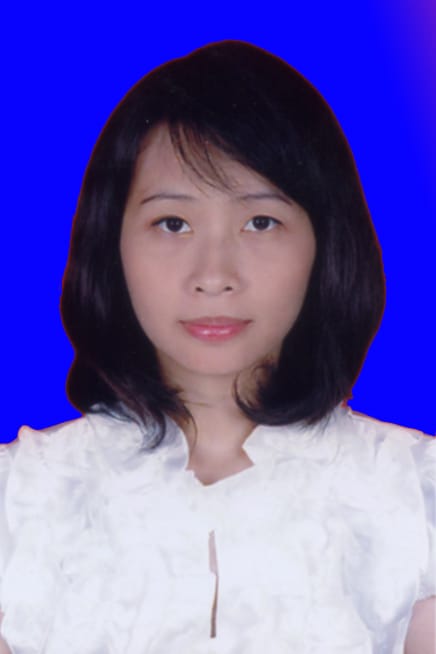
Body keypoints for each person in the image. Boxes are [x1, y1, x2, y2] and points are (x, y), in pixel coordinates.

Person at [0, 40, 434, 653]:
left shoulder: (415, 497)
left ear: (325, 243)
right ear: (111, 243)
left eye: (260, 222)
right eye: (173, 223)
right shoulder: (19, 502)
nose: (213, 274)